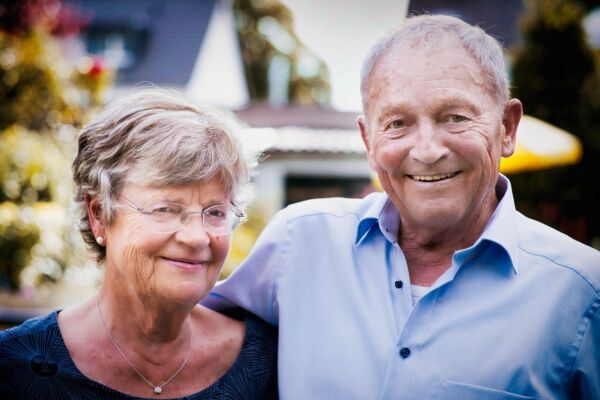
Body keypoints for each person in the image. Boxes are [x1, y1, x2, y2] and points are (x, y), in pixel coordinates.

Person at [204, 14, 600, 399]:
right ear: (368, 140)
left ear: (507, 128)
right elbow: (182, 335)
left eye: (455, 117)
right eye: (397, 123)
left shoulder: (583, 292)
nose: (427, 151)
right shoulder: (298, 241)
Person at [0, 89, 277, 399]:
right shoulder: (12, 366)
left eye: (215, 212)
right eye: (165, 209)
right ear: (99, 214)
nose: (197, 237)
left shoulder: (268, 362)